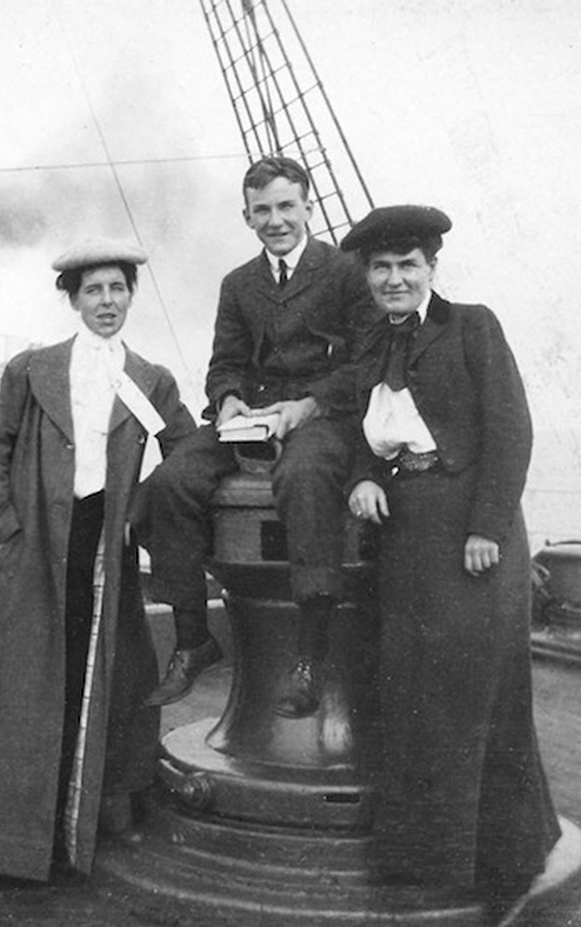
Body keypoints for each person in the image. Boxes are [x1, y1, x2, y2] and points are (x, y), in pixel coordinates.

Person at [0, 238, 196, 883]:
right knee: (18, 689)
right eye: (94, 291)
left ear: (131, 297)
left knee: (89, 685)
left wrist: (141, 506)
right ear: (73, 300)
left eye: (118, 289)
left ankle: (74, 828)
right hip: (28, 541)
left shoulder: (151, 380)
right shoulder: (32, 370)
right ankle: (1, 843)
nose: (108, 301)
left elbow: (188, 453)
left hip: (99, 551)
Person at [339, 205, 561, 913]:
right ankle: (426, 860)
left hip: (472, 536)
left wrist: (488, 526)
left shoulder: (472, 326)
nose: (395, 278)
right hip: (408, 537)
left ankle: (503, 859)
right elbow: (357, 432)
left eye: (409, 264)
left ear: (433, 267)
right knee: (416, 695)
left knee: (475, 692)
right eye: (382, 267)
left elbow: (511, 429)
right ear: (368, 276)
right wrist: (362, 477)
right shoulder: (373, 343)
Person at [140, 155, 374, 718]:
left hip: (321, 416)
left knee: (305, 476)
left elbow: (365, 362)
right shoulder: (238, 284)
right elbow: (225, 362)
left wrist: (310, 404)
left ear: (307, 207)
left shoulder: (345, 273)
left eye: (286, 206)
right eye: (262, 210)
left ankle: (310, 652)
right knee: (171, 482)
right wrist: (228, 401)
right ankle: (194, 639)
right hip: (251, 419)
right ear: (246, 217)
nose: (276, 220)